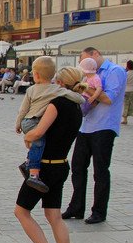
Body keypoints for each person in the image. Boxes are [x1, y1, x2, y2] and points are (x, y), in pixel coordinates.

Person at [15, 66, 88, 243]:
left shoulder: (57, 104)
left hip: (44, 166)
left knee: (21, 211)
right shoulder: (77, 106)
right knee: (54, 215)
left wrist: (28, 138)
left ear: (61, 83)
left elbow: (38, 131)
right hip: (61, 164)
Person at [62, 47, 127, 224]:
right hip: (86, 126)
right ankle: (76, 207)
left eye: (85, 60)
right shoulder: (89, 74)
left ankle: (99, 211)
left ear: (95, 54)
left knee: (100, 171)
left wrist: (86, 88)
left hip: (104, 126)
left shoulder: (115, 71)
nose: (84, 65)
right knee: (77, 167)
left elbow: (108, 99)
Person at [15, 57, 85, 193]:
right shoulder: (57, 90)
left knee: (38, 143)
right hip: (34, 122)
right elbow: (79, 98)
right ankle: (33, 173)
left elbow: (23, 109)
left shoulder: (31, 89)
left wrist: (18, 123)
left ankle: (28, 163)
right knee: (39, 142)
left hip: (27, 121)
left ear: (35, 74)